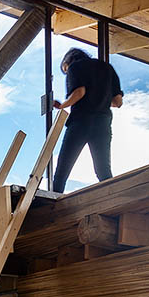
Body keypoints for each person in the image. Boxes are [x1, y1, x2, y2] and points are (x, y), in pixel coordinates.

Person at [51, 47, 123, 194]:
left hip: (81, 121)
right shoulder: (107, 68)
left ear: (67, 61)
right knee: (103, 170)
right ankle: (113, 198)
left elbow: (79, 92)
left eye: (64, 69)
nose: (66, 72)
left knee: (63, 167)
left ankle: (53, 202)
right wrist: (99, 98)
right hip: (103, 123)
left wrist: (62, 105)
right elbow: (118, 102)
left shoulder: (75, 67)